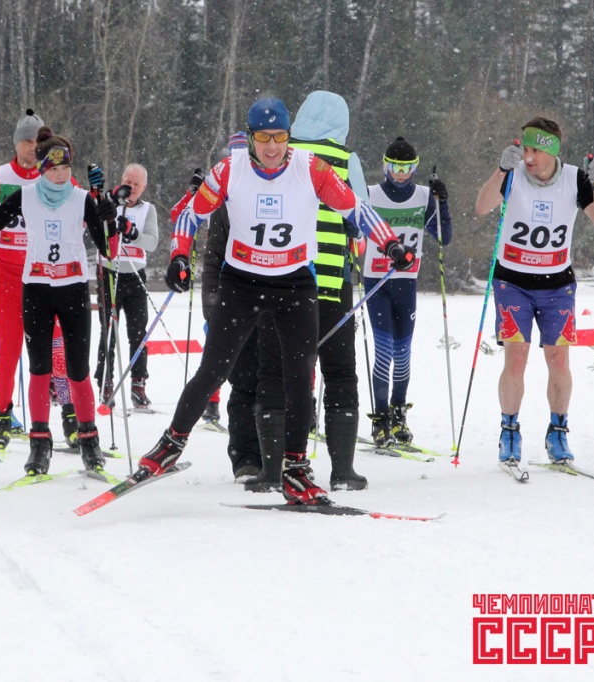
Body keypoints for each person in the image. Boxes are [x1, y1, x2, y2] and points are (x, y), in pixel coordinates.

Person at [135, 97, 412, 506]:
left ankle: (294, 468)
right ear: (250, 138)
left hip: (294, 284)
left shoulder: (311, 168)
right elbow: (190, 215)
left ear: (288, 137)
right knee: (214, 368)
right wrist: (179, 255)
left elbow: (356, 209)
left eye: (279, 137)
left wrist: (389, 243)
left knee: (299, 377)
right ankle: (170, 445)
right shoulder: (230, 170)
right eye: (263, 138)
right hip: (241, 282)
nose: (272, 147)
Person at [0, 127, 122, 476]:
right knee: (39, 369)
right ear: (42, 169)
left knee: (78, 369)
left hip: (73, 288)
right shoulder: (24, 196)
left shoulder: (81, 198)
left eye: (66, 167)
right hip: (36, 288)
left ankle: (89, 441)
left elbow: (108, 250)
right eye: (54, 169)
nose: (61, 174)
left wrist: (108, 217)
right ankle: (39, 445)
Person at [474, 116, 594, 464]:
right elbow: (482, 206)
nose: (528, 157)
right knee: (516, 356)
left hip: (557, 285)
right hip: (512, 282)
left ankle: (558, 432)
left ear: (551, 151)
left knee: (558, 358)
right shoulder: (513, 174)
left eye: (535, 150)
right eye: (525, 150)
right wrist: (499, 171)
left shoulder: (574, 179)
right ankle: (509, 431)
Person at [251, 90, 370, 492]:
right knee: (340, 373)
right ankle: (343, 471)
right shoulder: (346, 160)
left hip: (278, 279)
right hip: (332, 283)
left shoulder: (283, 154)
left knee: (274, 371)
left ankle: (272, 469)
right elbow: (360, 218)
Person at [363, 137, 453, 448]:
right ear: (385, 166)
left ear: (415, 168)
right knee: (384, 351)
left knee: (402, 354)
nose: (400, 175)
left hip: (406, 283)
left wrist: (442, 202)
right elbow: (353, 225)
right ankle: (380, 420)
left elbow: (444, 237)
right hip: (376, 282)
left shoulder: (424, 196)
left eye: (407, 168)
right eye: (395, 168)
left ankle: (398, 413)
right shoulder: (371, 194)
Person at [197, 133, 262, 480]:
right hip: (236, 306)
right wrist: (212, 311)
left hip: (275, 303)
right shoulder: (225, 205)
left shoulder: (279, 194)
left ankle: (277, 454)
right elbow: (212, 262)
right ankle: (246, 458)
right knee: (244, 382)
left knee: (274, 381)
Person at [0, 109, 48, 447]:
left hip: (43, 272)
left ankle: (66, 416)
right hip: (8, 271)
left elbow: (80, 214)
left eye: (36, 141)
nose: (31, 147)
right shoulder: (0, 176)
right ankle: (2, 415)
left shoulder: (54, 174)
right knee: (9, 349)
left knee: (54, 349)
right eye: (26, 141)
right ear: (16, 144)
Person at [93, 163, 159, 407]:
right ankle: (105, 381)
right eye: (127, 182)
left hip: (135, 275)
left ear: (144, 187)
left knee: (138, 332)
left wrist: (132, 233)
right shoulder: (108, 202)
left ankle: (138, 383)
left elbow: (152, 242)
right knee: (108, 331)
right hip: (109, 272)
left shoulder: (148, 210)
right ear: (121, 180)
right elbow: (92, 229)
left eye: (136, 184)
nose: (131, 188)